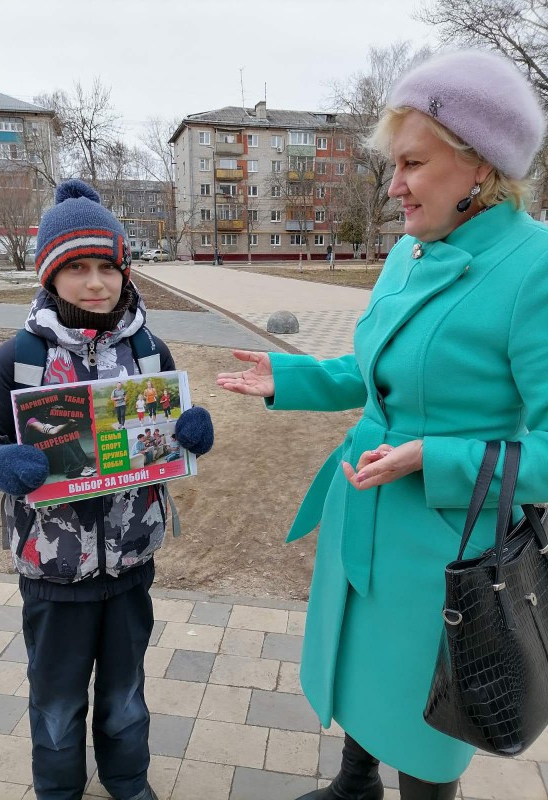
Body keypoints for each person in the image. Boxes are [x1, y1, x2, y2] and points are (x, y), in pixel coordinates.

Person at [217, 50, 547, 800]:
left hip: (445, 550)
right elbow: (377, 371)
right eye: (391, 164)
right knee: (359, 669)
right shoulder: (406, 251)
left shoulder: (535, 269)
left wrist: (436, 455)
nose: (392, 185)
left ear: (481, 169)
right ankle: (355, 785)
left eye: (412, 163)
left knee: (427, 715)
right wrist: (289, 377)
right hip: (362, 514)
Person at [0, 179, 214, 800]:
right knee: (55, 701)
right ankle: (58, 791)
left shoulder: (150, 353)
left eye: (107, 266)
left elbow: (167, 437)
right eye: (77, 267)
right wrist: (1, 465)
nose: (96, 282)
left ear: (125, 271)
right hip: (52, 573)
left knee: (126, 693)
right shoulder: (18, 359)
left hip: (131, 565)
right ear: (50, 275)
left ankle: (129, 783)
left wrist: (190, 434)